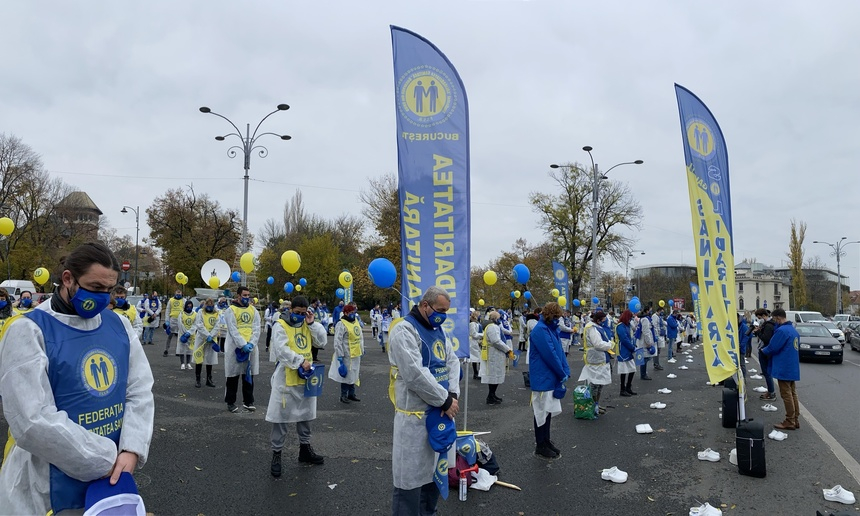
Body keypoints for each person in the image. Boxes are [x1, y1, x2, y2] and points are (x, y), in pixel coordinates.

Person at [0, 242, 154, 514]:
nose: (104, 298)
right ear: (68, 278)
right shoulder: (28, 330)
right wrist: (106, 458)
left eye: (110, 290)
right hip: (43, 482)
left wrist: (132, 449)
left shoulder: (119, 325)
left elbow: (139, 390)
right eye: (95, 288)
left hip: (111, 474)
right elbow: (31, 420)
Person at [388, 286, 460, 515]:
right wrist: (445, 400)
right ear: (425, 305)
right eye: (440, 310)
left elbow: (452, 361)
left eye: (446, 311)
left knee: (433, 479)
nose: (443, 315)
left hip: (439, 413)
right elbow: (414, 374)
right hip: (415, 419)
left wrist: (453, 395)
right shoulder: (404, 330)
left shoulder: (438, 330)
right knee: (409, 483)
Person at [267, 295, 328, 477]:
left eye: (304, 313)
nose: (300, 316)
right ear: (290, 309)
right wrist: (300, 361)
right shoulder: (281, 325)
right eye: (297, 313)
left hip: (306, 378)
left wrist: (312, 324)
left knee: (306, 415)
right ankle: (276, 454)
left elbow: (322, 342)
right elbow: (281, 349)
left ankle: (305, 449)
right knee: (281, 417)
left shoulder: (306, 325)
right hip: (286, 377)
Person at [528, 301, 569, 459]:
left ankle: (546, 440)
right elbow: (550, 354)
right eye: (557, 317)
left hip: (549, 375)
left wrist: (564, 370)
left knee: (548, 410)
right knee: (541, 412)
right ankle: (540, 444)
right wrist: (561, 371)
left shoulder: (550, 328)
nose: (558, 320)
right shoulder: (540, 330)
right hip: (542, 376)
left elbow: (558, 351)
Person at [759, 308, 800, 430]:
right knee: (792, 393)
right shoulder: (793, 330)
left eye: (774, 319)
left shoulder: (782, 331)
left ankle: (790, 420)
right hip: (792, 366)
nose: (774, 321)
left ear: (778, 318)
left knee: (786, 394)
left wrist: (763, 351)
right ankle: (795, 419)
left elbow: (773, 347)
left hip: (784, 366)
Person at [222, 286, 261, 413]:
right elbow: (233, 330)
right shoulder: (230, 310)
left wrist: (251, 343)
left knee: (248, 375)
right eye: (244, 295)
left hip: (250, 347)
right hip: (235, 347)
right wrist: (242, 344)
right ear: (238, 296)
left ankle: (248, 401)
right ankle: (230, 402)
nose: (246, 297)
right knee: (233, 376)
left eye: (248, 295)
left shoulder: (253, 310)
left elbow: (257, 328)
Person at [578, 310, 614, 412]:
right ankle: (593, 406)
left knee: (600, 383)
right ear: (598, 320)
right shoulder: (592, 328)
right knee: (595, 383)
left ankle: (596, 404)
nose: (605, 322)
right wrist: (610, 345)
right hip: (595, 359)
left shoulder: (596, 327)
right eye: (603, 320)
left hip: (599, 359)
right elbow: (598, 344)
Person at [329, 302, 364, 404]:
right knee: (346, 375)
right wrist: (340, 355)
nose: (353, 314)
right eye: (351, 312)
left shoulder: (355, 321)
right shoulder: (341, 323)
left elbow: (360, 336)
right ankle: (343, 395)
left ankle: (351, 394)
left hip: (356, 353)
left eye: (354, 312)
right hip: (346, 354)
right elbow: (338, 341)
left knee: (354, 374)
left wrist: (362, 349)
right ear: (346, 313)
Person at [480, 310, 513, 405]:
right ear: (496, 318)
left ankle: (492, 395)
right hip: (494, 354)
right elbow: (496, 341)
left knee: (495, 376)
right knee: (493, 376)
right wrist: (507, 349)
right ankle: (490, 396)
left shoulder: (492, 326)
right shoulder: (493, 327)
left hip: (494, 354)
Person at [193, 298, 221, 388]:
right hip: (201, 338)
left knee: (209, 359)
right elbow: (199, 325)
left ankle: (209, 379)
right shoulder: (201, 312)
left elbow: (217, 326)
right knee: (199, 358)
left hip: (211, 339)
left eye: (211, 305)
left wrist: (211, 335)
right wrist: (207, 335)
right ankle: (198, 379)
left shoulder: (216, 314)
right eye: (208, 305)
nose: (210, 307)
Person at [754, 308, 777, 400]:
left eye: (759, 317)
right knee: (767, 372)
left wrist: (758, 332)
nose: (759, 319)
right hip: (766, 350)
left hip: (765, 350)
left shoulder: (768, 325)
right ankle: (770, 391)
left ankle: (771, 393)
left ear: (763, 315)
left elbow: (766, 338)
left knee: (767, 373)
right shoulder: (770, 324)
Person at [615, 310, 637, 396]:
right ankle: (622, 389)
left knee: (632, 369)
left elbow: (630, 337)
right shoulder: (620, 326)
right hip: (622, 350)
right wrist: (632, 347)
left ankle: (628, 387)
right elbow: (624, 339)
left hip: (628, 349)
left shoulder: (627, 325)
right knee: (623, 371)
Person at [176, 299, 196, 371]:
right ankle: (182, 363)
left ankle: (188, 363)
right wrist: (184, 332)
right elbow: (180, 323)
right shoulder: (181, 313)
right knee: (181, 349)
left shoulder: (194, 314)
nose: (189, 308)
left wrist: (189, 332)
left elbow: (195, 324)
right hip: (182, 334)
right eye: (188, 306)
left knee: (189, 349)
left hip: (191, 335)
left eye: (190, 306)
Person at [637, 307, 656, 380]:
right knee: (645, 358)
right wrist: (649, 342)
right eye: (650, 310)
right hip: (644, 341)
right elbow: (646, 332)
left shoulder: (645, 319)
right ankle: (643, 374)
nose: (651, 312)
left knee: (646, 357)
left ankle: (643, 373)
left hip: (643, 341)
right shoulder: (645, 319)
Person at [163, 289, 184, 357]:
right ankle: (166, 349)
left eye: (179, 293)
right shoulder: (171, 300)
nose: (178, 295)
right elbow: (168, 310)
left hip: (180, 320)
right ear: (175, 293)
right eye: (177, 293)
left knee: (179, 336)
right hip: (172, 320)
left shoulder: (184, 300)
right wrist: (167, 320)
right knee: (170, 335)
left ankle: (178, 351)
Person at [468, 309, 483, 380]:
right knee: (475, 358)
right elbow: (474, 334)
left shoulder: (476, 323)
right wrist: (482, 335)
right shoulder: (472, 324)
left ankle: (479, 373)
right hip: (473, 342)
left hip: (476, 342)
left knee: (478, 358)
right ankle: (476, 373)